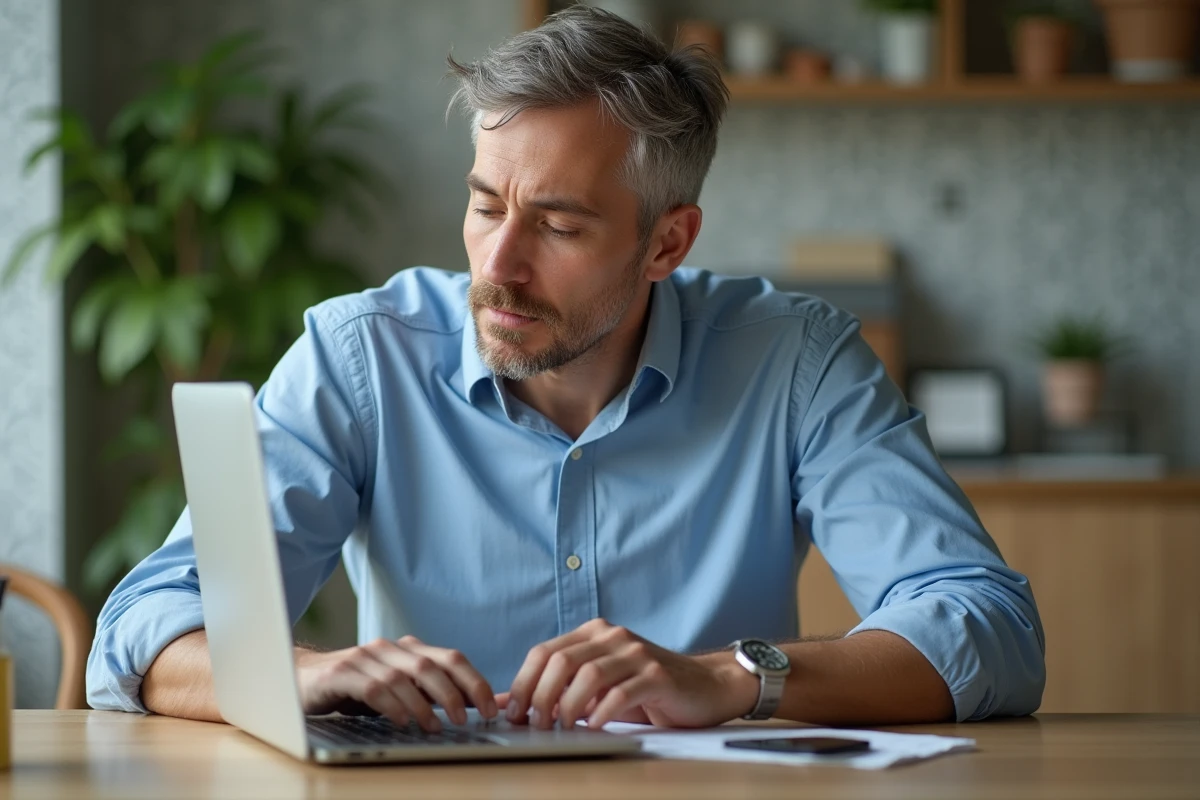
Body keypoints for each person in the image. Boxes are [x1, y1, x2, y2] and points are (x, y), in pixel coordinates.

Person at [86, 7, 1044, 733]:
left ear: (667, 243)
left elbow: (987, 626)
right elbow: (143, 629)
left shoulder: (795, 360)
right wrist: (294, 673)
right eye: (484, 205)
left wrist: (727, 676)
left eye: (557, 224)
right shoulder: (359, 355)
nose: (498, 264)